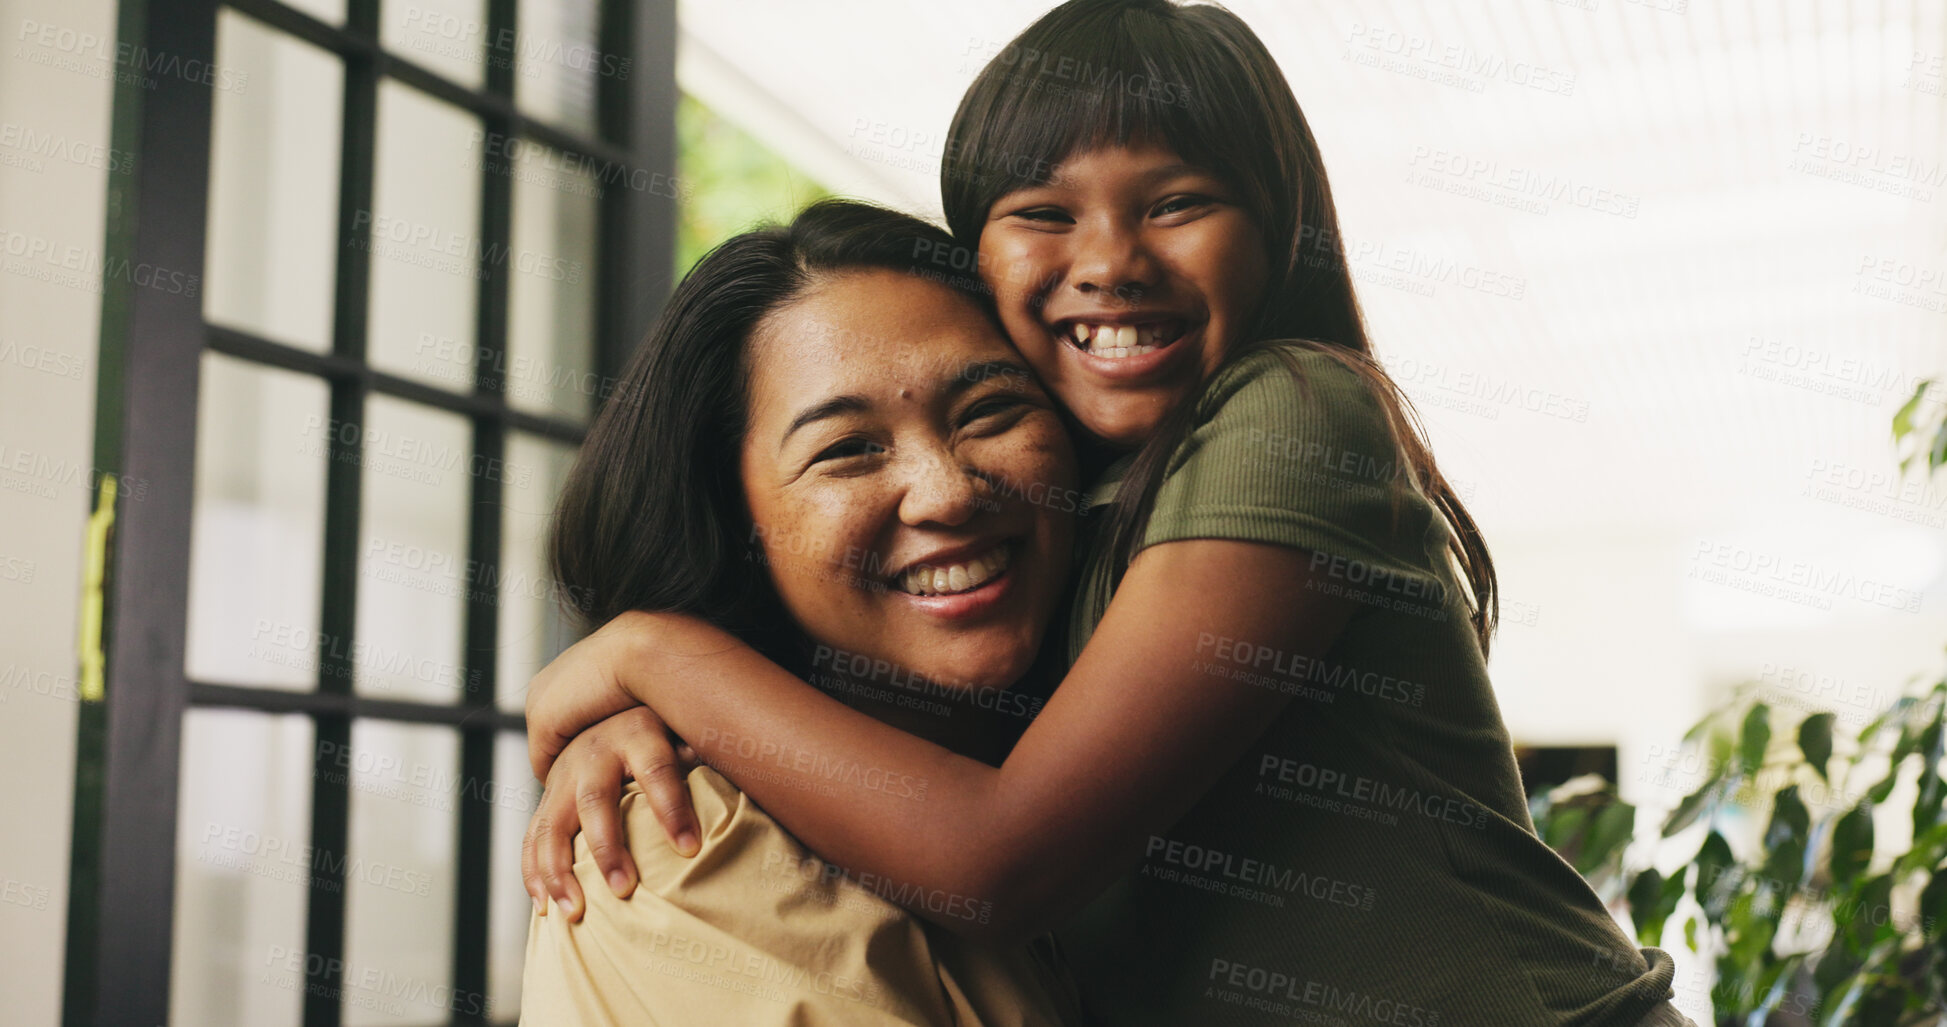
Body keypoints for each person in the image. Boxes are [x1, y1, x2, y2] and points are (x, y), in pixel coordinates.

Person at [526, 2, 1698, 1024]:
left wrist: (653, 656)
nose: (1111, 262)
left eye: (1177, 202)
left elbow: (1001, 856)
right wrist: (625, 718)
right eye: (1044, 211)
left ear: (1278, 225)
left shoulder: (1289, 412)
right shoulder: (1067, 506)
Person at [518, 199, 1090, 1026]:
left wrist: (651, 655)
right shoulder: (687, 845)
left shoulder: (1104, 772)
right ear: (730, 518)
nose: (947, 492)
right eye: (847, 449)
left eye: (991, 410)